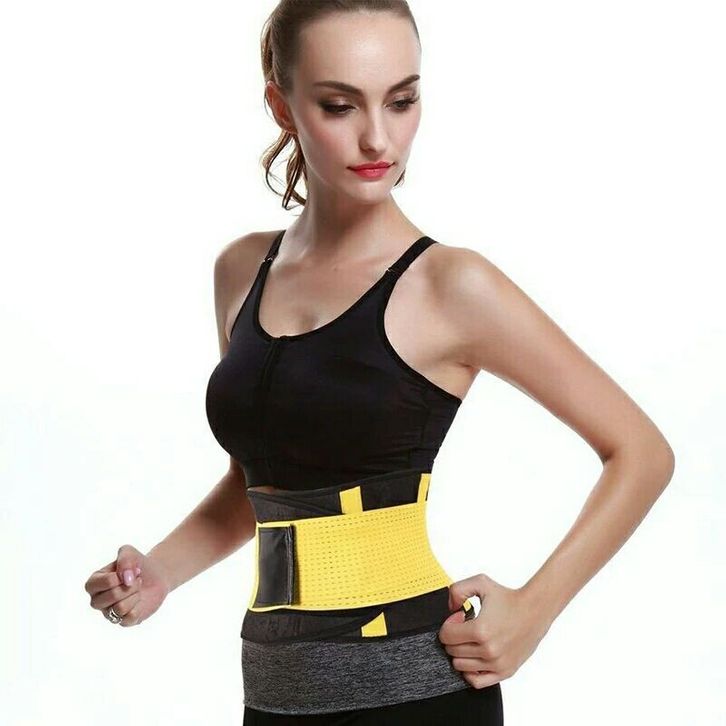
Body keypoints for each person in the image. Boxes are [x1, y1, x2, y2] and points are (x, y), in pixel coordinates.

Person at [83, 1, 675, 724]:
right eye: (339, 106)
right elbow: (260, 482)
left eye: (401, 101)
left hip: (419, 693)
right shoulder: (241, 270)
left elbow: (642, 452)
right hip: (275, 694)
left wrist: (534, 611)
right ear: (282, 106)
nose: (378, 138)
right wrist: (159, 572)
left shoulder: (452, 286)